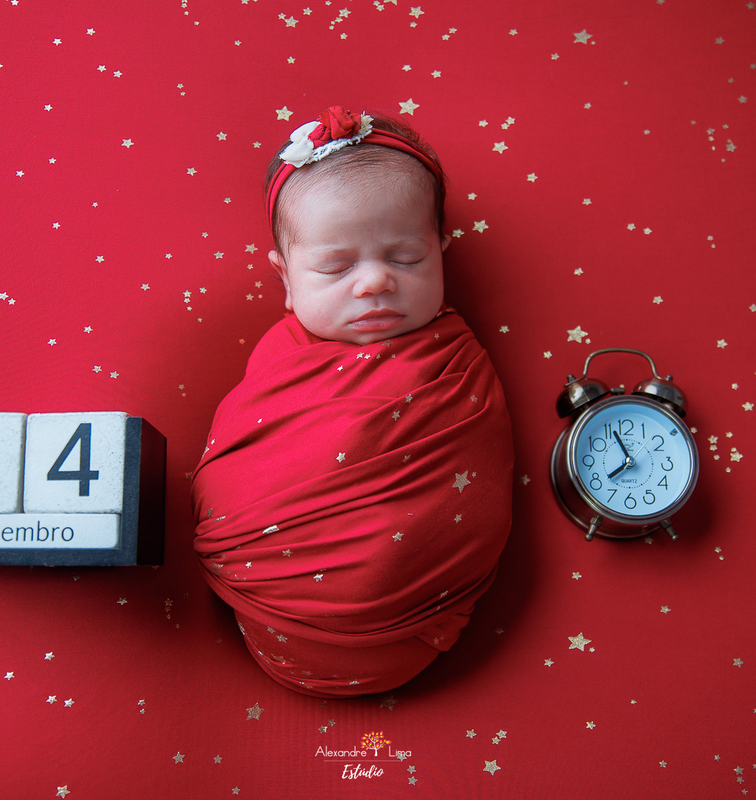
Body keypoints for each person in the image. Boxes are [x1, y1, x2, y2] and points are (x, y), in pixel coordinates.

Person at [192, 106, 514, 697]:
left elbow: (479, 472)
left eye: (407, 258)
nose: (374, 283)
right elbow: (245, 460)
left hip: (415, 618)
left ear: (441, 251)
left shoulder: (455, 363)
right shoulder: (280, 356)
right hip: (273, 607)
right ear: (285, 279)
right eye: (335, 267)